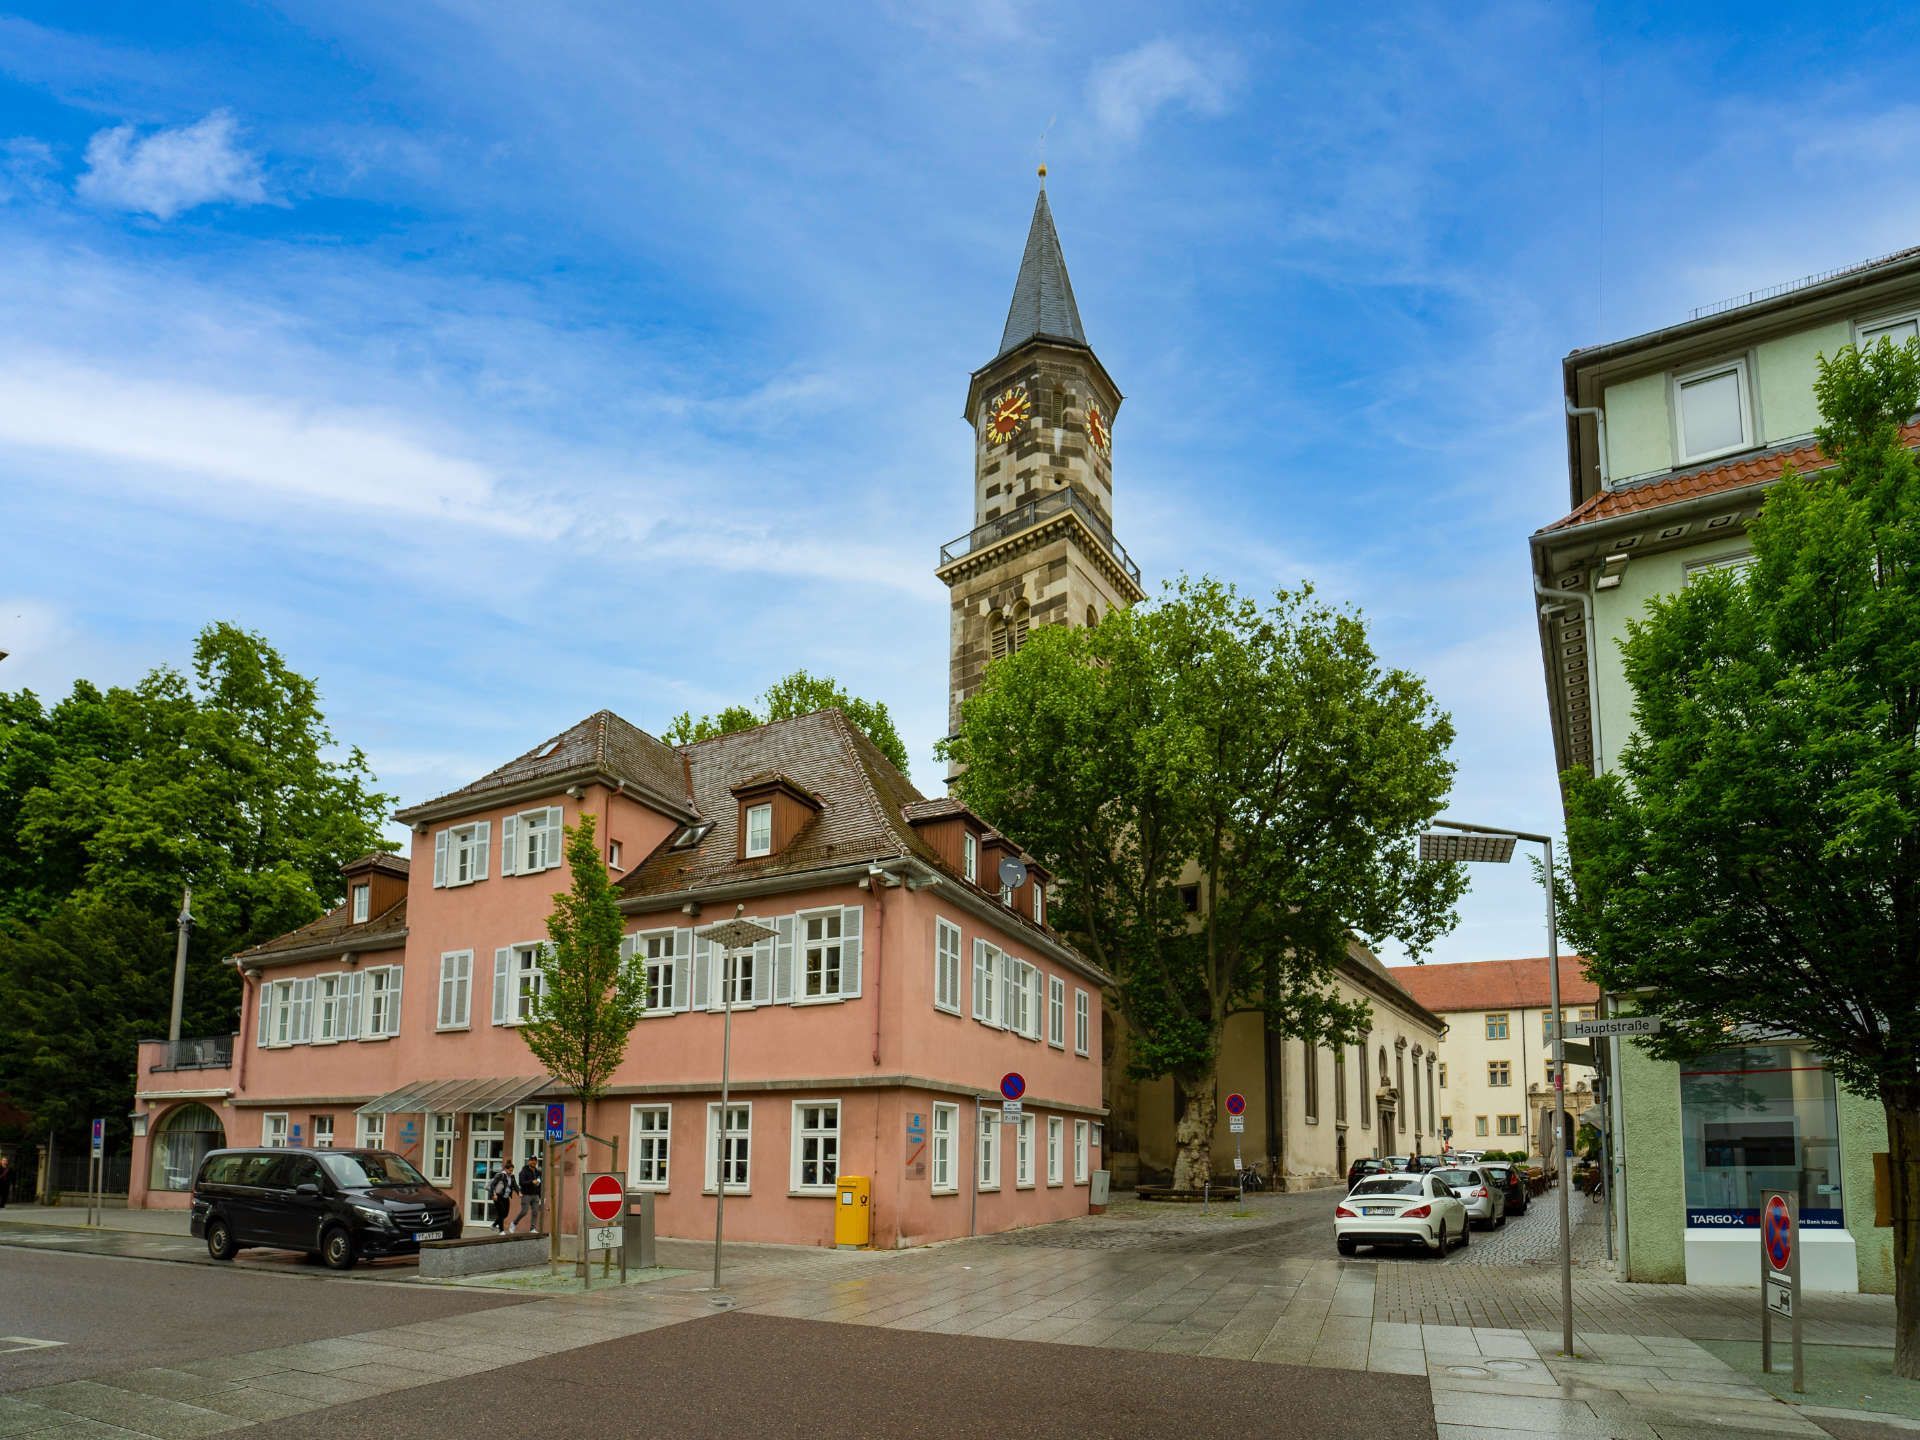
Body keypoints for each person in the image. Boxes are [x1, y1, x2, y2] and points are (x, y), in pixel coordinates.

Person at [486, 1158, 516, 1231]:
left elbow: (515, 1185)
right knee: (501, 1213)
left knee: (505, 1214)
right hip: (497, 1196)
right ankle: (501, 1230)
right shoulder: (500, 1175)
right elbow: (492, 1185)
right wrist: (494, 1194)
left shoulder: (511, 1176)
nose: (511, 1172)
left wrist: (519, 1192)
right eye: (510, 1170)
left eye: (512, 1170)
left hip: (505, 1197)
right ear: (506, 1169)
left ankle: (493, 1225)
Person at [515, 1154, 543, 1233]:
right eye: (532, 1160)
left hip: (535, 1195)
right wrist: (531, 1182)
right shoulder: (523, 1171)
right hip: (526, 1194)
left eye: (535, 1160)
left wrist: (540, 1196)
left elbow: (540, 1183)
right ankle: (514, 1223)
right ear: (529, 1161)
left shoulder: (538, 1172)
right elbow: (521, 1183)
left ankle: (532, 1228)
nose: (533, 1162)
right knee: (524, 1211)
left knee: (535, 1212)